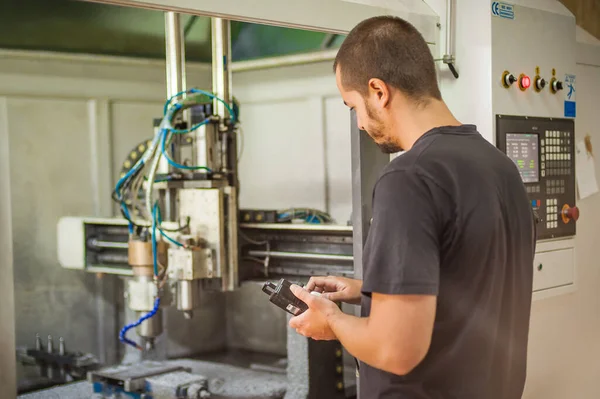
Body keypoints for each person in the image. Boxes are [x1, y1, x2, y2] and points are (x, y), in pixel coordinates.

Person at [288, 15, 536, 399]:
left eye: (352, 105)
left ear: (378, 91)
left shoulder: (407, 178)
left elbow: (396, 350)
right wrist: (369, 291)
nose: (358, 124)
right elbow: (469, 281)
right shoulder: (499, 166)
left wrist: (333, 322)